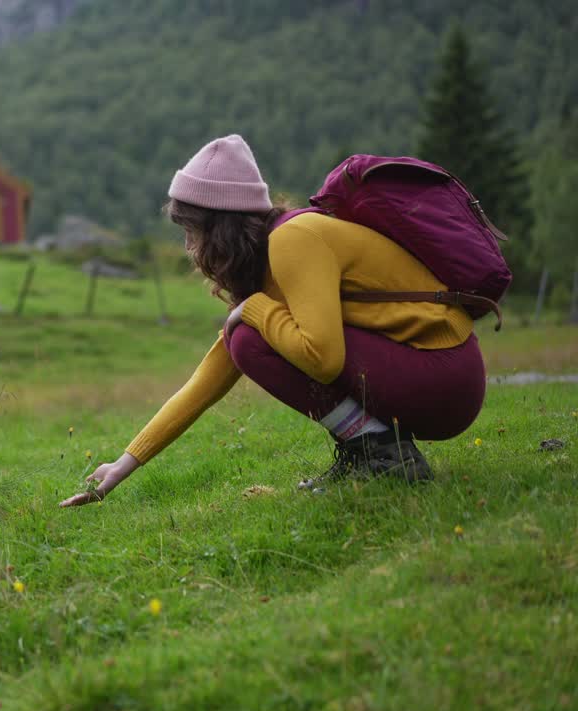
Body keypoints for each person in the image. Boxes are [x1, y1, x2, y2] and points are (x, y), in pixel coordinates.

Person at [60, 134, 486, 507]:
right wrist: (125, 462)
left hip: (444, 377)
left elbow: (323, 359)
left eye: (192, 230)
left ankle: (382, 456)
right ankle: (374, 454)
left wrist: (256, 311)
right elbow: (208, 377)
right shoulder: (270, 257)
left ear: (220, 225)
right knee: (242, 339)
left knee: (248, 338)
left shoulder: (294, 240)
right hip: (432, 375)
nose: (189, 246)